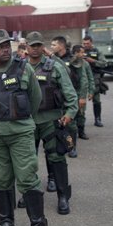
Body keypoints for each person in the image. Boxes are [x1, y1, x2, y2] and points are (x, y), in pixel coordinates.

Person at [0, 29, 47, 226]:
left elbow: (35, 98)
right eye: (0, 46)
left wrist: (20, 119)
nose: (6, 49)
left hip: (20, 132)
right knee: (1, 178)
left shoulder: (24, 69)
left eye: (8, 45)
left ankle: (38, 224)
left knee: (27, 177)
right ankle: (6, 221)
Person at [22, 31, 78, 215]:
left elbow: (69, 93)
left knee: (56, 158)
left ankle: (63, 197)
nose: (36, 48)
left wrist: (70, 112)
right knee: (27, 161)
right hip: (27, 122)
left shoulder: (54, 66)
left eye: (39, 45)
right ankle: (29, 193)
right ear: (26, 46)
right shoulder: (20, 68)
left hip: (51, 121)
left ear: (42, 46)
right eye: (32, 45)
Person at [83, 36, 108, 127]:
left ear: (91, 42)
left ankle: (97, 119)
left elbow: (104, 63)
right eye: (84, 43)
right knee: (80, 99)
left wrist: (92, 61)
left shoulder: (97, 51)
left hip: (94, 77)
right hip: (82, 77)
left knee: (96, 99)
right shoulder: (81, 51)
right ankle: (80, 121)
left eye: (87, 43)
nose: (85, 45)